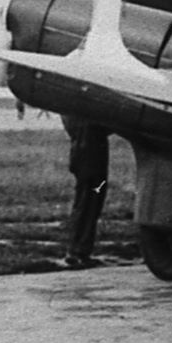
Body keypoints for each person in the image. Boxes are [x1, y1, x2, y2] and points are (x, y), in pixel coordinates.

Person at [62, 115, 110, 268]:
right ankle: (78, 251)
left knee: (86, 204)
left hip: (86, 159)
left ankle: (78, 251)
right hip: (91, 161)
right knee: (88, 205)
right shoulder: (83, 114)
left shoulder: (71, 111)